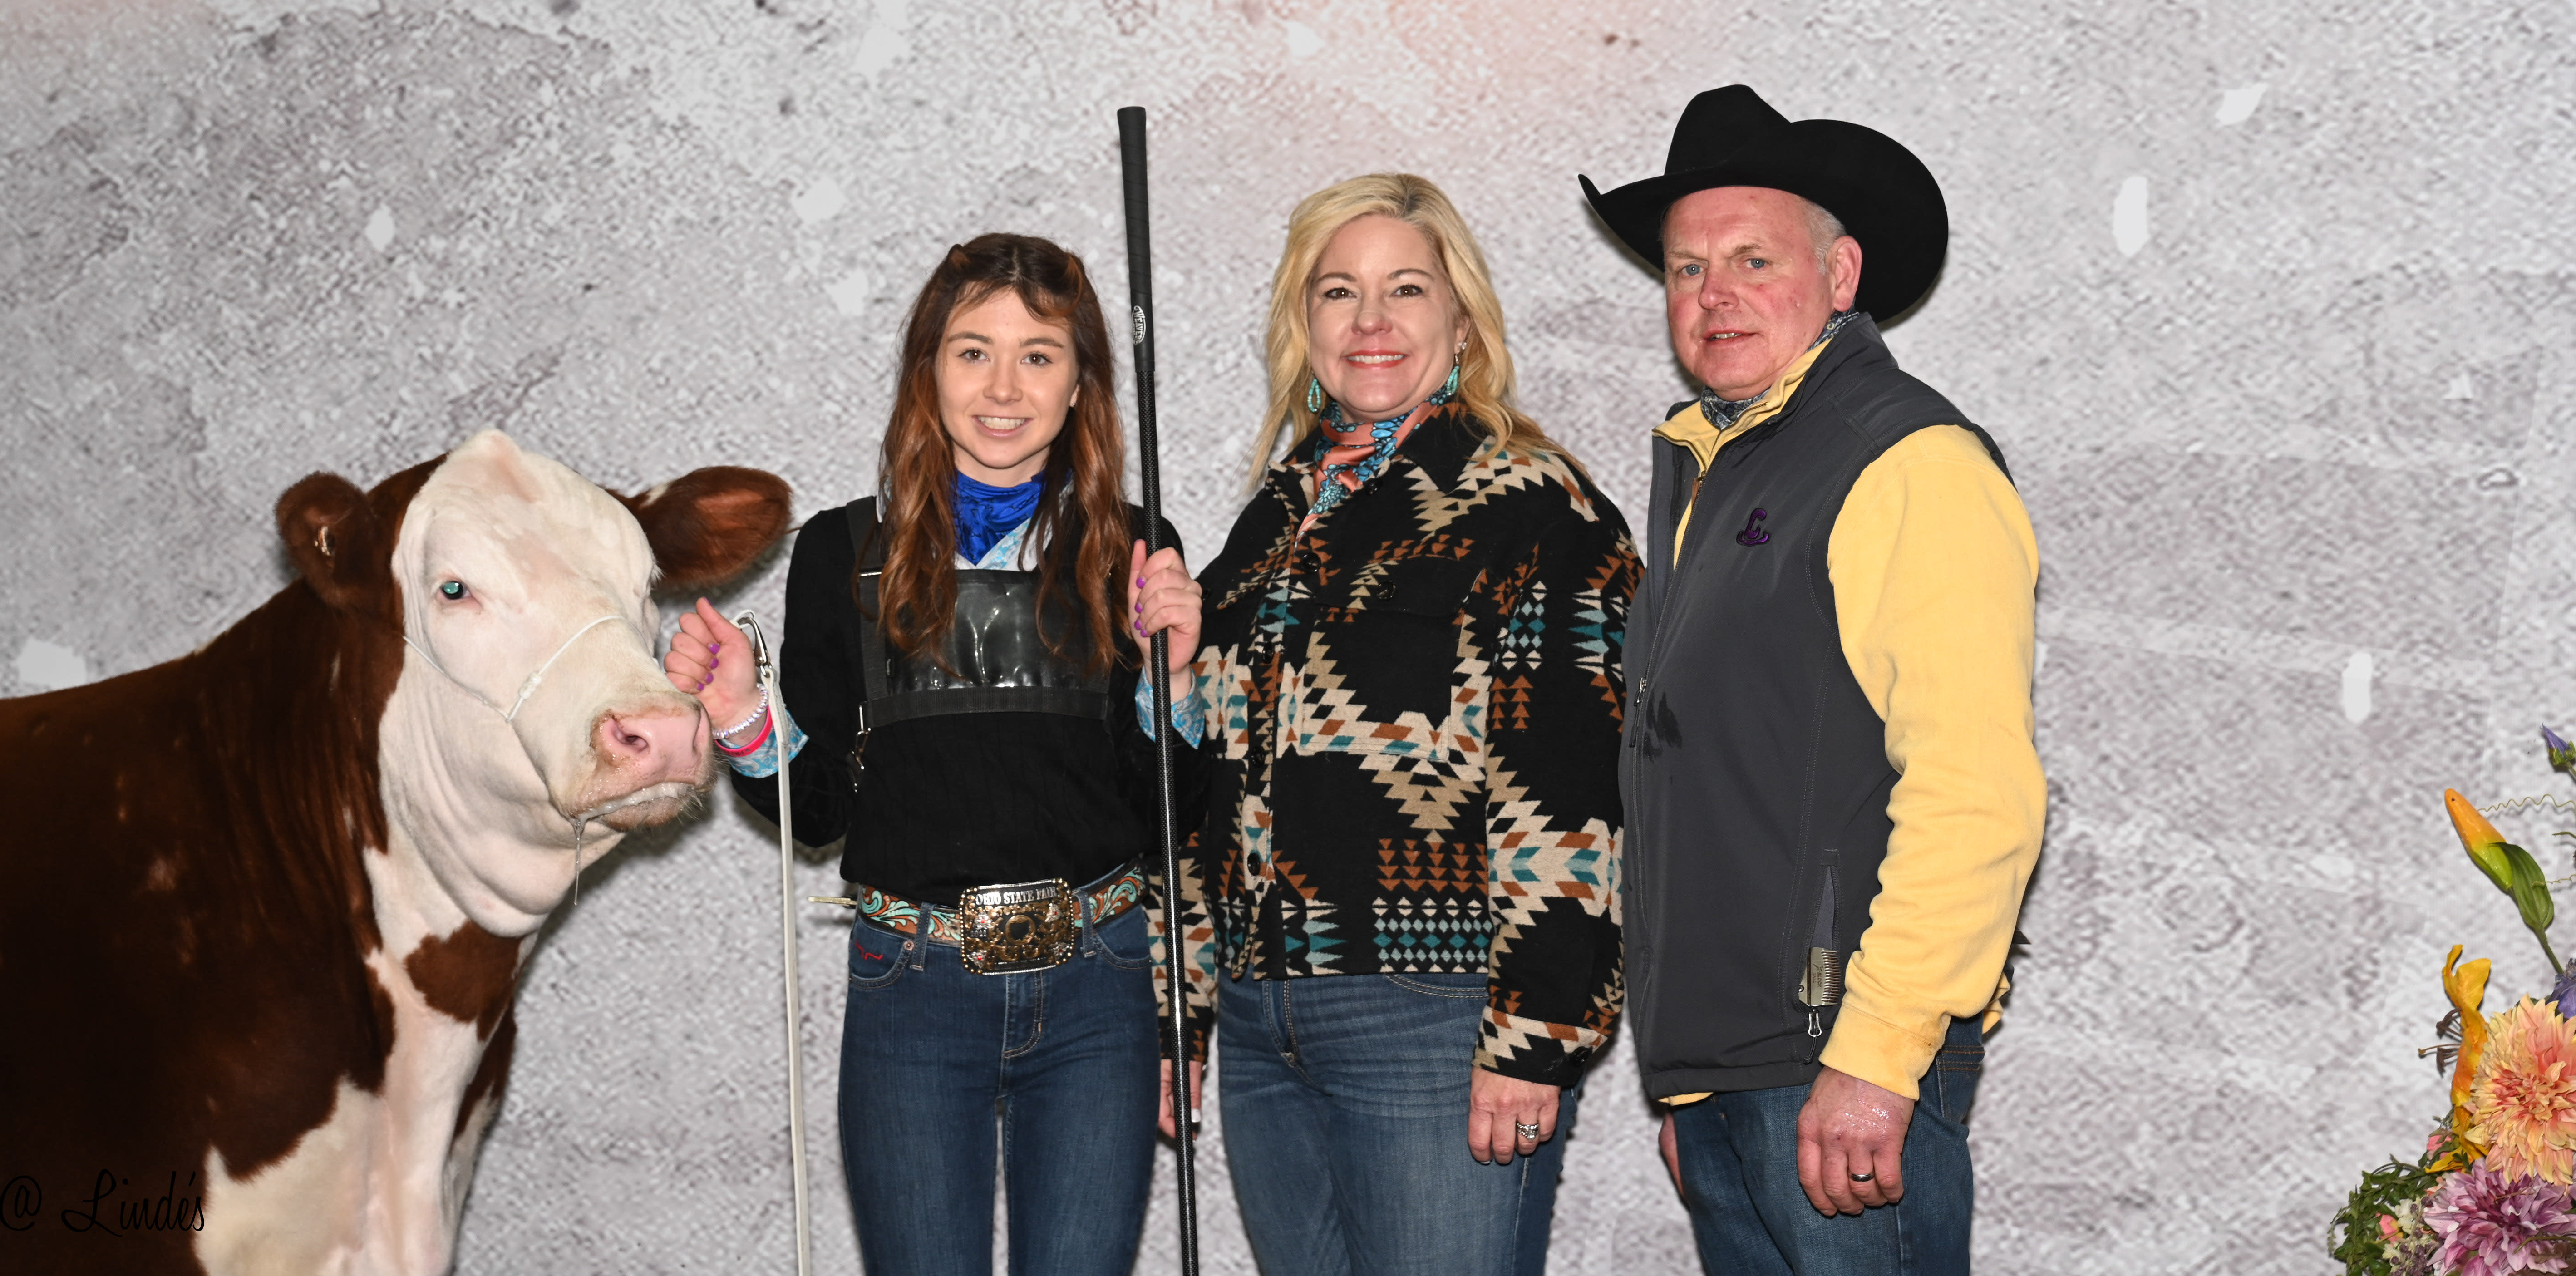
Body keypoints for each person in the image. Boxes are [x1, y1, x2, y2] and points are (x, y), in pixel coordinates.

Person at [666, 233, 1202, 1276]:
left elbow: (1177, 821)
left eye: (1040, 355)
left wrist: (1173, 680)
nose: (1004, 387)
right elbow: (817, 812)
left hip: (1097, 985)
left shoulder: (1135, 545)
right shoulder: (842, 552)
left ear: (1083, 381)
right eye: (972, 352)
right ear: (927, 372)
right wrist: (741, 710)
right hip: (912, 986)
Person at [1579, 85, 2044, 1276]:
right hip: (1742, 1079)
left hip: (1838, 1073)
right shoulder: (1715, 467)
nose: (1713, 296)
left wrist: (1878, 1060)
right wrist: (1690, 1092)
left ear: (1840, 274)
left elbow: (1976, 793)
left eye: (1751, 259)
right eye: (1686, 270)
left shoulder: (1908, 460)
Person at [1134, 173, 1635, 1276]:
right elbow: (1209, 794)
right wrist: (1186, 1008)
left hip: (1437, 1016)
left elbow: (1574, 784)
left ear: (1460, 318)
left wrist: (1534, 1037)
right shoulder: (1270, 519)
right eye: (1337, 292)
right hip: (1267, 1020)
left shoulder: (1535, 505)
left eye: (1406, 288)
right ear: (1300, 323)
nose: (1370, 321)